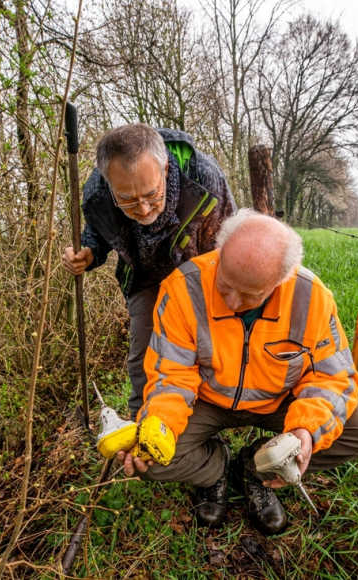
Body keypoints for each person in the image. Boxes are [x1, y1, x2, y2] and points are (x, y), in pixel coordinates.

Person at [116, 209, 358, 535]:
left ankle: (256, 469)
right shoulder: (183, 288)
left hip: (279, 402)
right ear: (220, 251)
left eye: (250, 294)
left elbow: (332, 377)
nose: (230, 301)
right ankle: (215, 470)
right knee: (150, 458)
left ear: (282, 280)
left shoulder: (311, 297)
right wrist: (161, 426)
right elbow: (171, 376)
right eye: (225, 285)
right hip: (207, 399)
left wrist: (306, 431)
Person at [61, 124, 235, 417]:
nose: (142, 210)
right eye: (127, 199)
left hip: (201, 270)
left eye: (151, 195)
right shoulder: (96, 193)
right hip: (145, 276)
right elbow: (99, 230)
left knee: (205, 351)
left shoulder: (203, 175)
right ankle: (144, 427)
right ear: (109, 183)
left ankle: (202, 422)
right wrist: (89, 252)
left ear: (166, 168)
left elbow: (228, 236)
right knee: (144, 358)